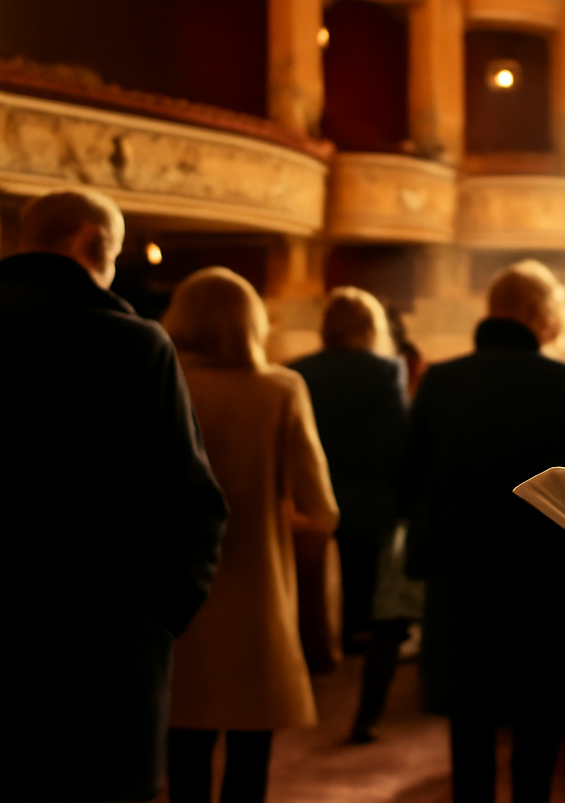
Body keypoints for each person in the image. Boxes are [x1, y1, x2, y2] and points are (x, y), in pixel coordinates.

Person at [0, 188, 228, 803]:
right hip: (110, 641)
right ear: (91, 244)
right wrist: (161, 616)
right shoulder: (135, 342)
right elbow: (191, 501)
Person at [404, 260, 565, 803]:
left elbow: (407, 477)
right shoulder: (562, 382)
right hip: (540, 580)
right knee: (535, 736)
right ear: (543, 315)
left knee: (469, 734)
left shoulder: (441, 380)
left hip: (461, 577)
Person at [159, 267, 340, 803]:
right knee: (249, 754)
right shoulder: (281, 389)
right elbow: (321, 507)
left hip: (177, 593)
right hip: (258, 595)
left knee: (183, 753)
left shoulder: (163, 382)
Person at [289, 288, 410, 656]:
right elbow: (397, 437)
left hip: (312, 491)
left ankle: (320, 635)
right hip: (370, 494)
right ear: (372, 326)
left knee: (313, 575)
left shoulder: (297, 370)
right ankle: (357, 633)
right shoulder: (386, 370)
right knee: (364, 577)